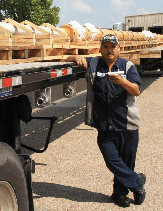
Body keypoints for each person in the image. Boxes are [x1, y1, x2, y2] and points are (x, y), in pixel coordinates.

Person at [67, 34, 146, 208]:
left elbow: (136, 91)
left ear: (119, 49)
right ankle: (137, 182)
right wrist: (76, 56)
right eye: (106, 47)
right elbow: (67, 57)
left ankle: (119, 194)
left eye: (113, 47)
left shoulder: (127, 66)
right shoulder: (94, 64)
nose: (109, 50)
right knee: (112, 160)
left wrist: (122, 81)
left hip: (127, 124)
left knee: (126, 162)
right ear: (100, 49)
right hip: (104, 124)